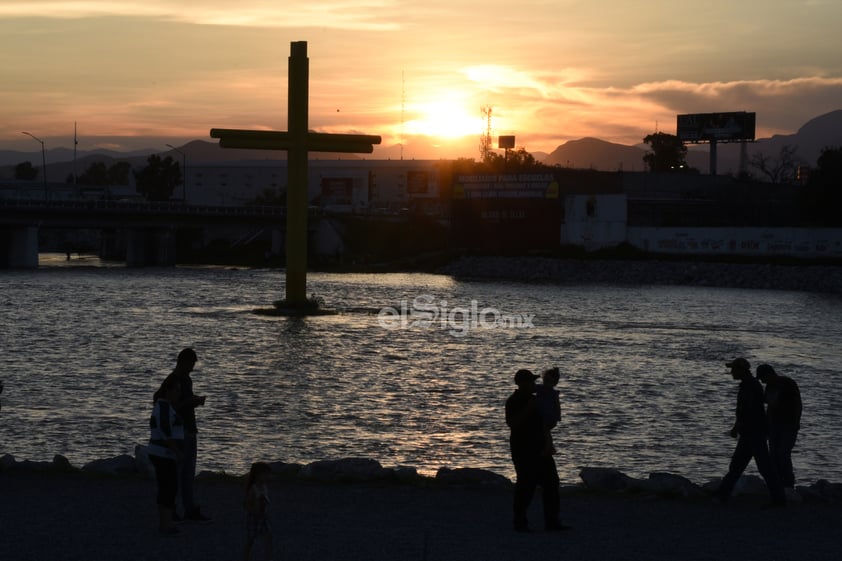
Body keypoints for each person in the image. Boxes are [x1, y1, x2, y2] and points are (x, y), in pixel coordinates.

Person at [715, 358, 786, 507]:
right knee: (738, 465)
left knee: (763, 467)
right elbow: (744, 411)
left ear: (742, 370)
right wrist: (737, 427)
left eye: (734, 369)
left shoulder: (749, 386)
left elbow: (747, 410)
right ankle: (722, 495)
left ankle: (779, 499)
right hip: (750, 432)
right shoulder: (750, 385)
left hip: (754, 432)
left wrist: (737, 427)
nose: (731, 372)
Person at [505, 368, 567, 532]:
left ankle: (552, 522)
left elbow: (546, 424)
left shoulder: (538, 400)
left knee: (552, 483)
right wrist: (529, 408)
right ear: (522, 384)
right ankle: (520, 522)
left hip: (540, 449)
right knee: (526, 485)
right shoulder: (513, 401)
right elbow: (513, 423)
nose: (534, 384)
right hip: (523, 450)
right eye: (531, 381)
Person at [164, 347, 211, 522]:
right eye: (191, 364)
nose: (192, 368)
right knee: (178, 472)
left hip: (190, 430)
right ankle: (175, 509)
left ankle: (188, 508)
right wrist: (191, 402)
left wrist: (193, 402)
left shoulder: (186, 380)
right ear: (183, 362)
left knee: (188, 473)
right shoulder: (172, 381)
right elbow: (168, 406)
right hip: (180, 432)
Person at [148, 375, 185, 534]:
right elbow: (165, 432)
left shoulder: (166, 407)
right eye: (176, 390)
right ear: (168, 390)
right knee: (168, 488)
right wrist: (178, 452)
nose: (178, 393)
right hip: (163, 453)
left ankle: (166, 522)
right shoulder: (163, 408)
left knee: (167, 487)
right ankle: (166, 525)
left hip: (164, 453)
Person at [756, 364, 802, 489]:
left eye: (762, 377)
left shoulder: (788, 383)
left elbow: (798, 404)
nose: (762, 381)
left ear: (769, 374)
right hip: (773, 425)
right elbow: (769, 407)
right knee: (773, 454)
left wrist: (796, 422)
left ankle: (788, 483)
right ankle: (777, 483)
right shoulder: (769, 386)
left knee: (783, 453)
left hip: (788, 424)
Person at [243, 462, 273, 561]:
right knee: (251, 539)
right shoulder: (253, 489)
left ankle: (268, 558)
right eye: (265, 474)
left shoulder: (264, 487)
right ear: (257, 475)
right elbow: (246, 505)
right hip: (253, 518)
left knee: (269, 536)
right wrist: (254, 509)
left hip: (263, 517)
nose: (268, 477)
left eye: (268, 474)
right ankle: (246, 557)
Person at [535, 367, 561, 456]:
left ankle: (549, 448)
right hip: (541, 416)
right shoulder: (540, 388)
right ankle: (547, 447)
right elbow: (531, 388)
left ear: (554, 383)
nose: (547, 383)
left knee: (545, 430)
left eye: (549, 381)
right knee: (543, 431)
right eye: (545, 380)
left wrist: (558, 417)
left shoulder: (553, 394)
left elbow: (557, 406)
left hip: (549, 417)